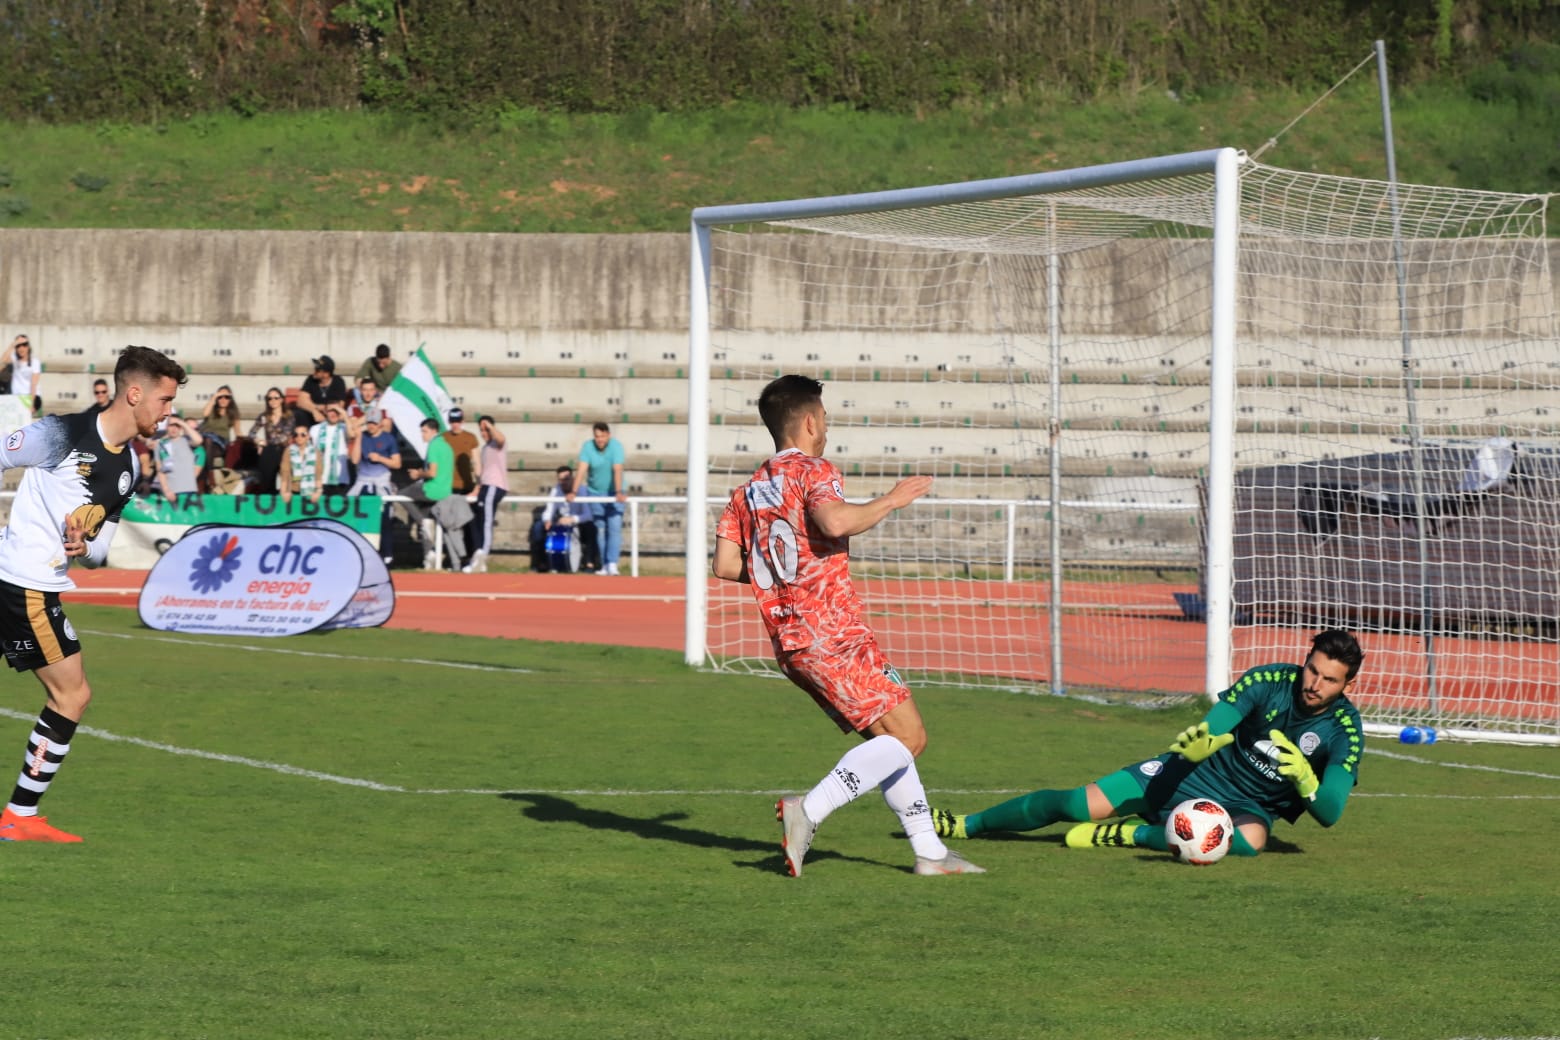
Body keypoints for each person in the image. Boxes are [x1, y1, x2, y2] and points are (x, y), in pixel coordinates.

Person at [712, 374, 983, 877]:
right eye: (827, 420)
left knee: (888, 740)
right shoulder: (815, 469)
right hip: (832, 631)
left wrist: (781, 568)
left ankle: (930, 854)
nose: (827, 429)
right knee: (909, 737)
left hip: (790, 643)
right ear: (811, 421)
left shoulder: (745, 493)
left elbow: (726, 566)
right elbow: (835, 522)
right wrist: (892, 500)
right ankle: (808, 811)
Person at [931, 629, 1368, 860]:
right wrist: (1205, 738)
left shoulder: (1344, 730)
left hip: (1246, 808)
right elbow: (1220, 721)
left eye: (1329, 679)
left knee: (1252, 842)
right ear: (1305, 661)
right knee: (1073, 805)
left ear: (1348, 683)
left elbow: (1330, 812)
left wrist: (1307, 781)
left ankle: (1133, 834)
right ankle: (968, 824)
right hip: (1188, 774)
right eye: (1312, 670)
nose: (1314, 683)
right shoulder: (1270, 679)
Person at [0, 344, 187, 841]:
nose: (169, 412)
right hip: (24, 585)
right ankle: (19, 816)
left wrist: (84, 542)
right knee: (72, 694)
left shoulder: (128, 467)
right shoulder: (62, 433)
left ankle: (20, 816)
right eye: (164, 400)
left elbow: (100, 550)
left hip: (32, 583)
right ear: (134, 394)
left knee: (72, 694)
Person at [406, 417, 468, 570]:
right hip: (446, 491)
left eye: (424, 431)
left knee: (403, 495)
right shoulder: (447, 446)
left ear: (434, 431)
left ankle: (422, 522)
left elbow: (432, 473)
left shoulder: (434, 446)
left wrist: (418, 474)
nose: (422, 435)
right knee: (448, 530)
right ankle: (447, 562)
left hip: (432, 490)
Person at [570, 420, 627, 575]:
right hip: (595, 492)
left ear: (608, 435)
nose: (599, 440)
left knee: (614, 528)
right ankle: (604, 564)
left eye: (602, 436)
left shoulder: (616, 446)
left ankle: (613, 563)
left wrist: (618, 492)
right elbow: (581, 470)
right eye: (597, 437)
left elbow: (617, 469)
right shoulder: (588, 447)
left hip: (614, 492)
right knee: (600, 529)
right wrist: (573, 492)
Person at [463, 414, 509, 574]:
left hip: (495, 486)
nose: (483, 433)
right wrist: (477, 489)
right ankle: (478, 556)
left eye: (485, 429)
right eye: (481, 430)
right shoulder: (485, 448)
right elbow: (484, 473)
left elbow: (502, 438)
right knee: (477, 519)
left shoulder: (497, 443)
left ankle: (483, 553)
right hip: (485, 487)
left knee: (486, 520)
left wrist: (490, 426)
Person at [529, 465, 593, 573]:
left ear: (572, 479)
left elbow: (588, 515)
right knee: (538, 527)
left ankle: (589, 563)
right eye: (561, 480)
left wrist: (572, 519)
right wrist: (547, 520)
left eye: (566, 479)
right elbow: (549, 509)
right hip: (559, 523)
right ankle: (539, 564)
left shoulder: (582, 490)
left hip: (578, 523)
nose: (563, 482)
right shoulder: (556, 490)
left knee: (591, 527)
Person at [248, 387, 292, 494]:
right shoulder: (264, 416)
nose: (273, 401)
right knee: (267, 482)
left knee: (288, 481)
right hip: (269, 451)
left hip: (284, 450)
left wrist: (268, 443)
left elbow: (286, 435)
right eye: (270, 398)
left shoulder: (289, 416)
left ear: (281, 399)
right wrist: (258, 442)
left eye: (276, 398)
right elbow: (251, 433)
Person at [155, 413, 203, 502]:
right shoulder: (160, 445)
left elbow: (198, 440)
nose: (174, 428)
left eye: (177, 425)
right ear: (166, 427)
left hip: (188, 490)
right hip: (169, 493)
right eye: (171, 425)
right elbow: (160, 470)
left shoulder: (188, 441)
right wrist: (166, 490)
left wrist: (183, 424)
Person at [309, 401, 354, 496]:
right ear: (325, 412)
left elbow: (352, 435)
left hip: (340, 479)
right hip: (320, 479)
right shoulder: (315, 429)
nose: (334, 414)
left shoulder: (344, 427)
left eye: (336, 410)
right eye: (330, 410)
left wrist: (345, 415)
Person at [295, 355, 347, 425]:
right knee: (299, 414)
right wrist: (314, 410)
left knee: (341, 417)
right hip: (313, 415)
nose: (314, 370)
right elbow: (301, 401)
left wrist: (324, 410)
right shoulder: (310, 379)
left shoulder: (338, 382)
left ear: (326, 374)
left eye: (317, 369)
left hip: (332, 416)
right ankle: (303, 435)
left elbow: (339, 406)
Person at [278, 423, 319, 504]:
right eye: (296, 435)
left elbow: (319, 474)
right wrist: (284, 491)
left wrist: (318, 491)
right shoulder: (289, 451)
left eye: (303, 434)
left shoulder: (316, 452)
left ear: (308, 436)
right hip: (294, 489)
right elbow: (285, 472)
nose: (299, 437)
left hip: (311, 490)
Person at [5, 334, 42, 416]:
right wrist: (12, 344)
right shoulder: (14, 359)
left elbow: (34, 385)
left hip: (31, 397)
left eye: (24, 345)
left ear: (28, 347)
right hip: (16, 397)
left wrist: (31, 404)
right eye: (18, 345)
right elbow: (2, 362)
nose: (21, 348)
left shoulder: (35, 362)